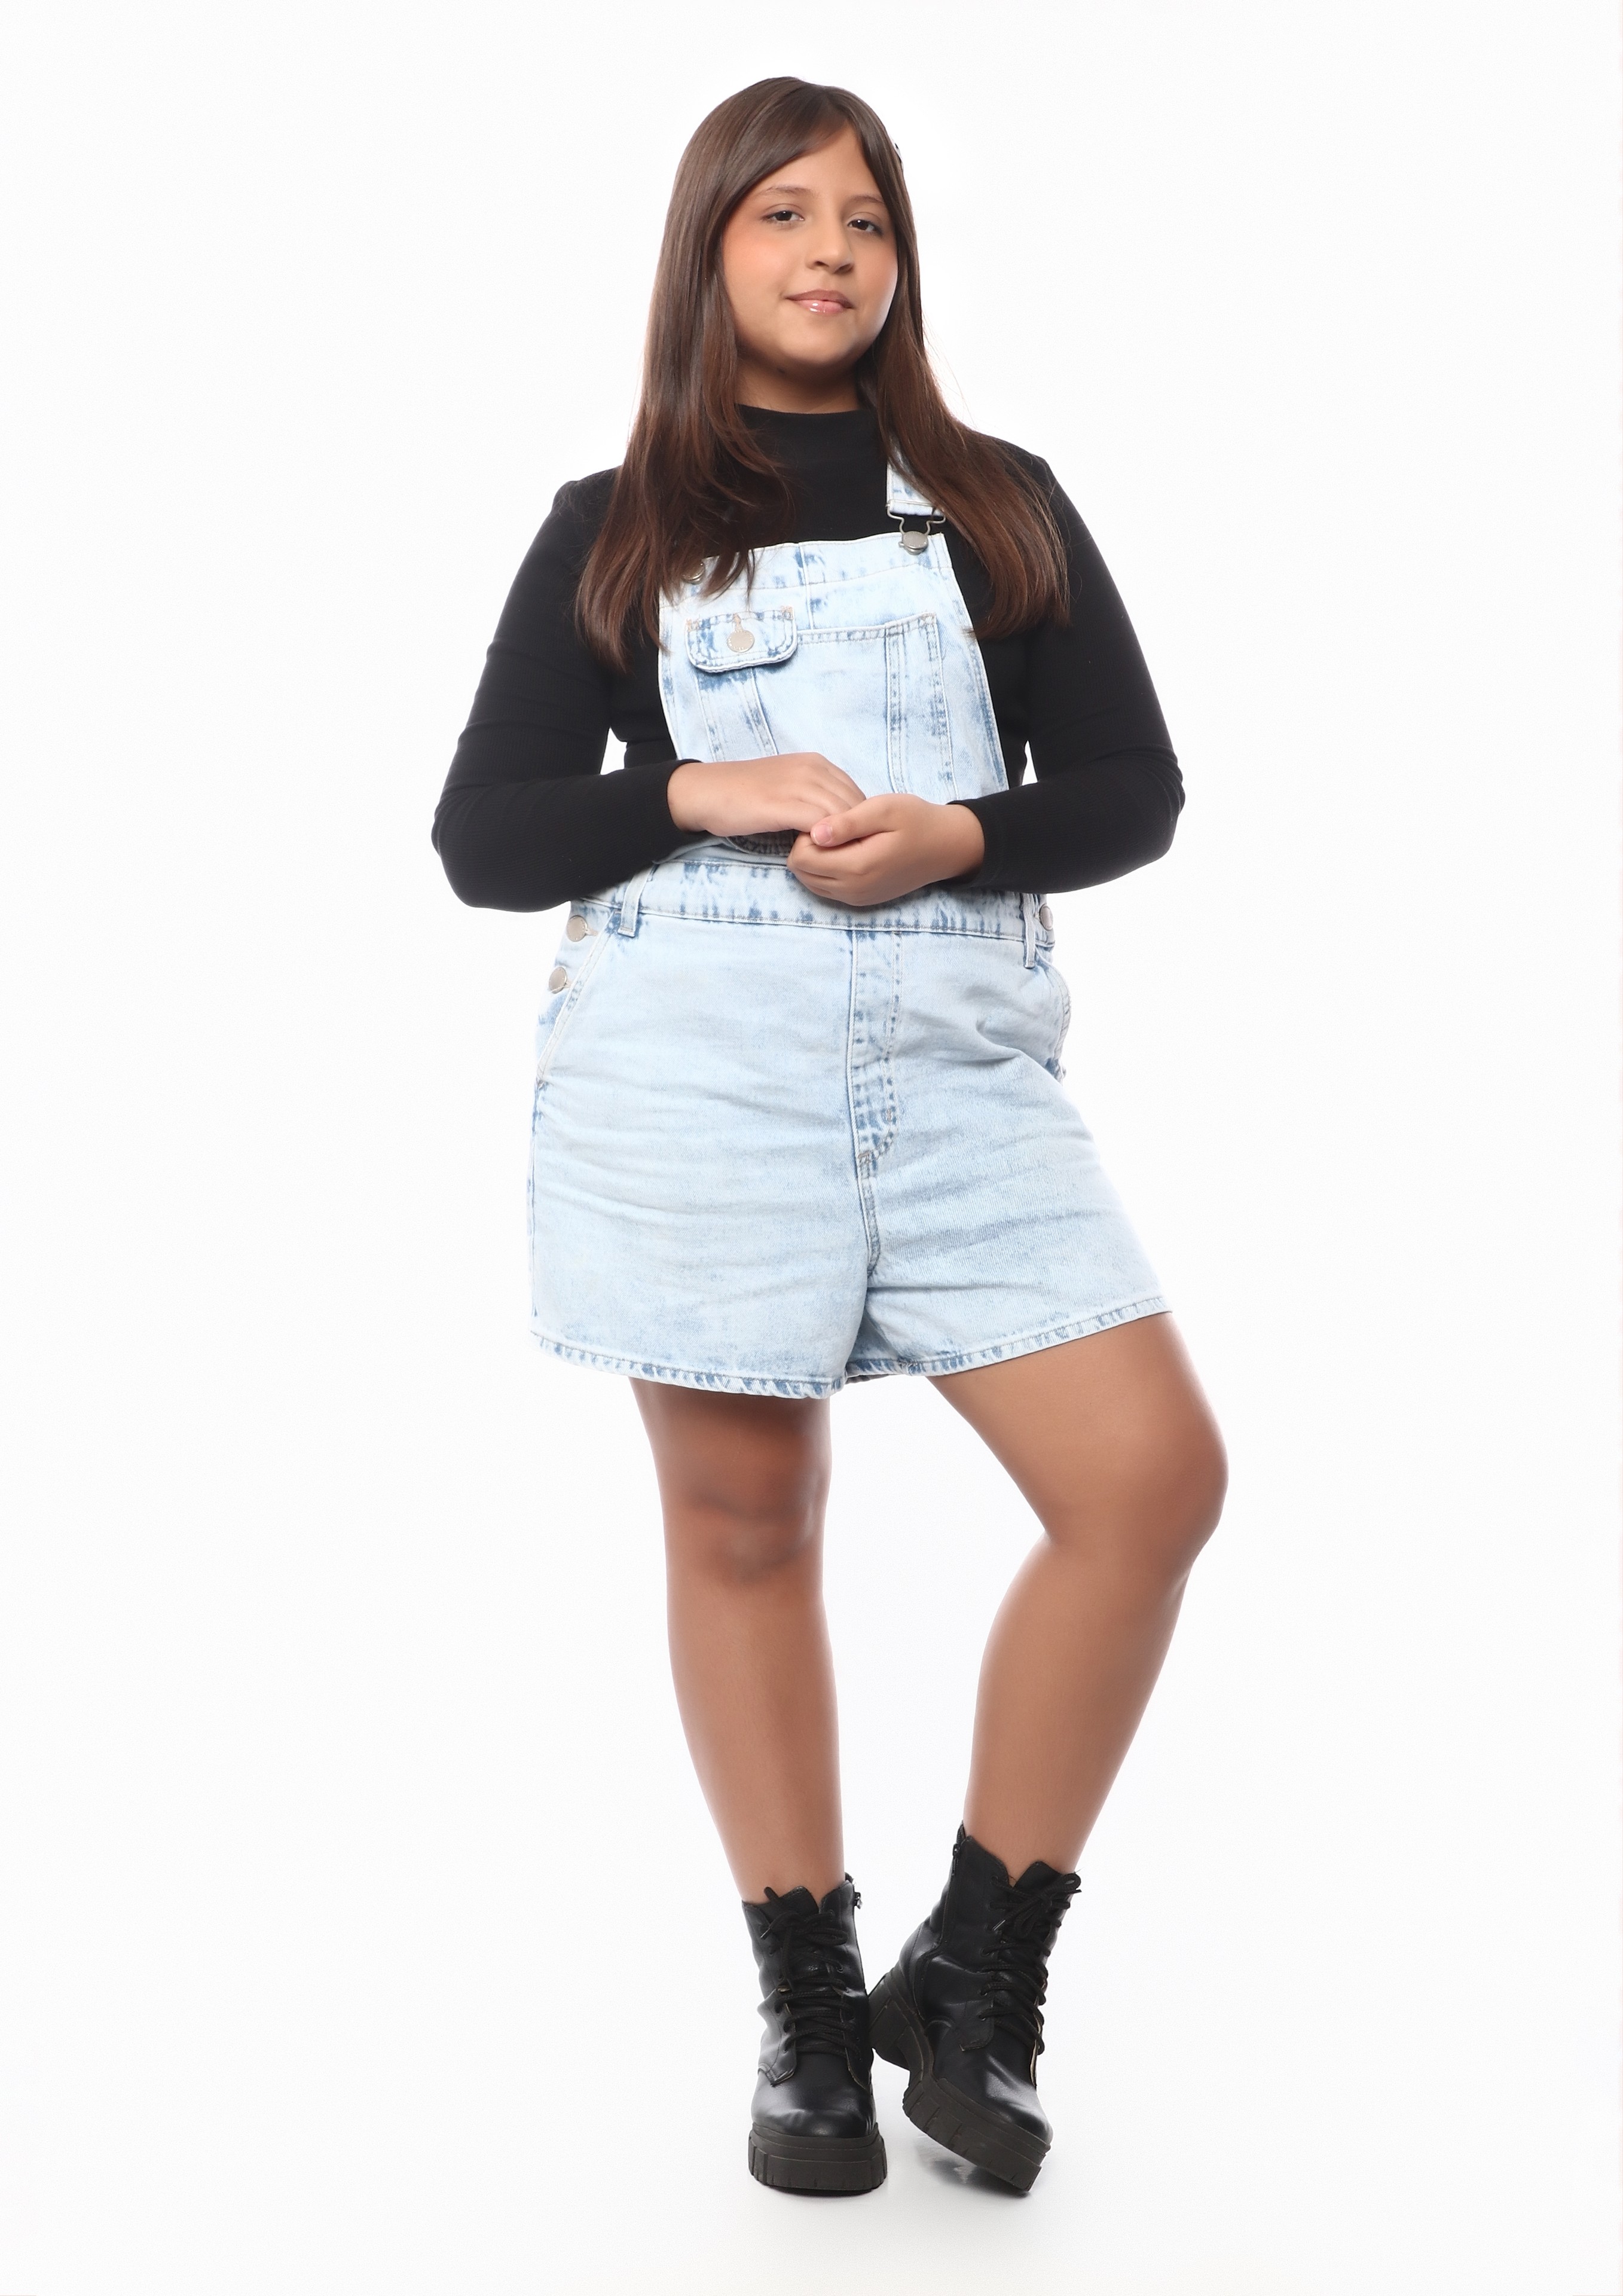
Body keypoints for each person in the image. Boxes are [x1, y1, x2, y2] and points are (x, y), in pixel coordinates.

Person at [433, 77, 1226, 2199]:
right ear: (708, 250)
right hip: (691, 1073)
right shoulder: (609, 524)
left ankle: (975, 1970)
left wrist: (963, 832)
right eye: (782, 213)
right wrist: (690, 789)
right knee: (746, 1519)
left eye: (865, 220)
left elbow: (1132, 792)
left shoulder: (995, 503)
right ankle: (804, 2006)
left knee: (1148, 1482)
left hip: (956, 1075)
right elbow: (485, 839)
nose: (829, 252)